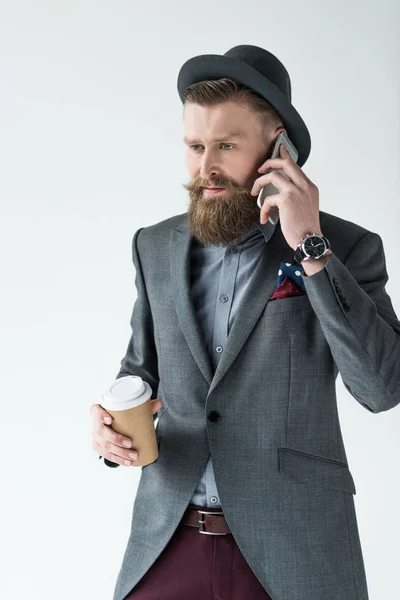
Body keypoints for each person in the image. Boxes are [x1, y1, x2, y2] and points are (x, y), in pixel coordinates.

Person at [90, 45, 400, 600]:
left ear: (277, 146)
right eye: (194, 146)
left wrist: (312, 248)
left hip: (293, 551)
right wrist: (111, 430)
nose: (204, 167)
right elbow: (142, 373)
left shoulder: (346, 248)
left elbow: (381, 388)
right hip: (168, 543)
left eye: (226, 147)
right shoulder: (154, 246)